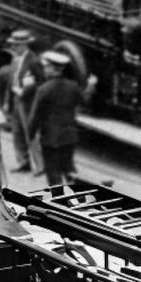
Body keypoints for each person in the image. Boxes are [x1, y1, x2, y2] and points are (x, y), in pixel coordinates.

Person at [27, 49, 96, 186]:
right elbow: (85, 102)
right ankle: (77, 197)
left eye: (46, 67)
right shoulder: (73, 86)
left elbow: (34, 117)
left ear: (53, 69)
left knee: (53, 173)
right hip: (69, 136)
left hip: (50, 139)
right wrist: (91, 86)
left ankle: (58, 199)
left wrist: (30, 135)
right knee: (68, 168)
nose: (45, 70)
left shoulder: (44, 89)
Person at [6, 29, 43, 174]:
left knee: (31, 133)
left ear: (24, 45)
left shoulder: (34, 61)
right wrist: (7, 101)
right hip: (17, 99)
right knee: (17, 132)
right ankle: (23, 162)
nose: (13, 48)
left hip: (28, 101)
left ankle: (40, 165)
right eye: (13, 45)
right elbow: (11, 81)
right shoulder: (15, 59)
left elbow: (40, 82)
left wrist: (27, 90)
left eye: (16, 45)